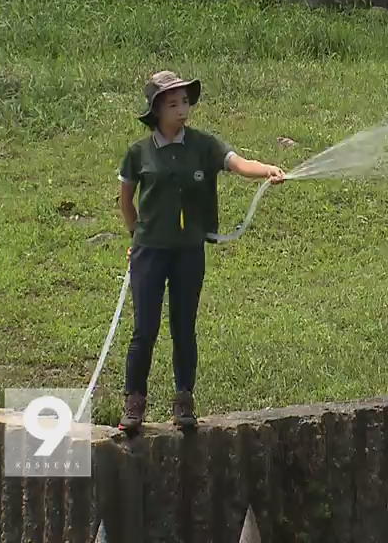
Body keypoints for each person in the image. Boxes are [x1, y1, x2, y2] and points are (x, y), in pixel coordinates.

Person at [116, 71, 285, 433]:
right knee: (144, 329)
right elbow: (126, 200)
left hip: (189, 252)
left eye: (185, 102)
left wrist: (266, 169)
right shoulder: (138, 153)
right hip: (149, 252)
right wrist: (135, 236)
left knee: (184, 327)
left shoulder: (202, 145)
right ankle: (134, 403)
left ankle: (183, 401)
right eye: (173, 103)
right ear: (156, 110)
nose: (182, 109)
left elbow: (237, 163)